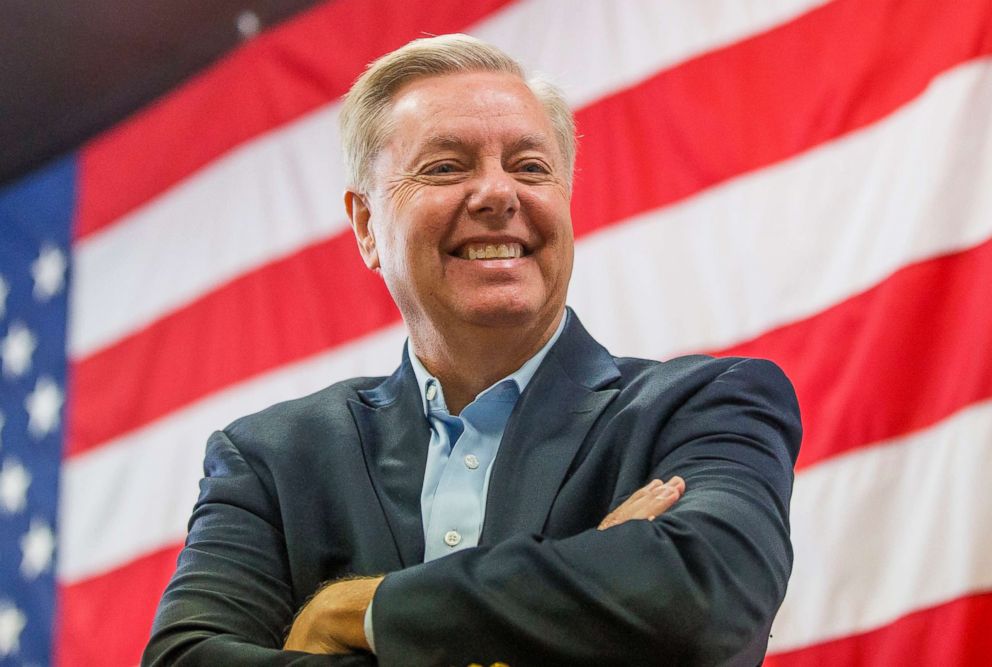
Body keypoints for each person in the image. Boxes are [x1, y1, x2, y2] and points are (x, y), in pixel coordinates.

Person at [143, 34, 801, 667]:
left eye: (530, 167)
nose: (496, 193)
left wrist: (362, 612)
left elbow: (709, 604)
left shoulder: (708, 407)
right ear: (368, 225)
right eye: (447, 167)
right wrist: (583, 585)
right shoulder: (270, 461)